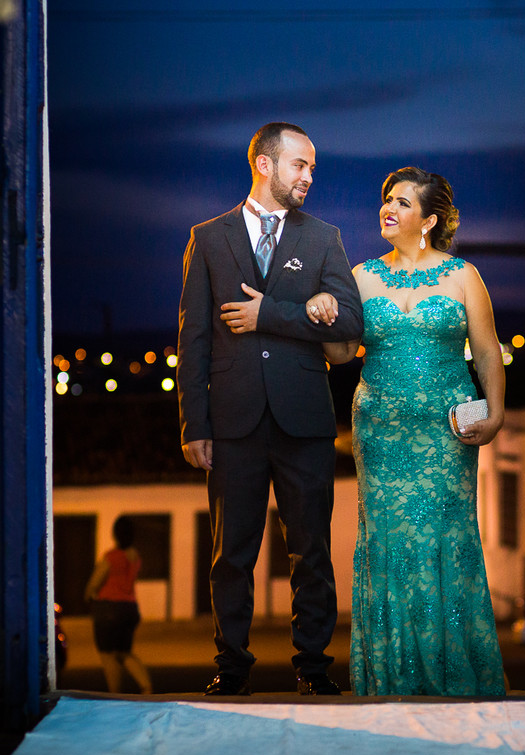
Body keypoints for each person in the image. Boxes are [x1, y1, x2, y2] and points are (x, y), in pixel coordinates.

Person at [177, 122, 363, 696]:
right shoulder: (207, 238)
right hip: (231, 423)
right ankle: (230, 668)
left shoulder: (324, 238)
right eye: (299, 165)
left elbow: (353, 329)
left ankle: (313, 668)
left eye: (312, 168)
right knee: (231, 555)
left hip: (304, 421)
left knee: (311, 553)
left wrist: (274, 314)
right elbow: (194, 339)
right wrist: (194, 423)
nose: (309, 176)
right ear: (264, 164)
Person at [316, 166, 506, 696]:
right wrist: (323, 312)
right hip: (380, 432)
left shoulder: (463, 275)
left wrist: (495, 415)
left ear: (429, 219)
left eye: (400, 202)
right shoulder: (360, 276)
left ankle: (452, 674)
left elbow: (488, 350)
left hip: (447, 434)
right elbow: (338, 354)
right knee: (387, 541)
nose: (388, 208)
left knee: (446, 537)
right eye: (386, 200)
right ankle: (390, 674)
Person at [84, 521, 153, 694]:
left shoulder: (111, 557)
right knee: (124, 652)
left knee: (107, 654)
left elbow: (94, 583)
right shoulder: (135, 557)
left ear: (115, 534)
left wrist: (88, 596)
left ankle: (114, 693)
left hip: (108, 609)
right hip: (130, 609)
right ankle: (146, 686)